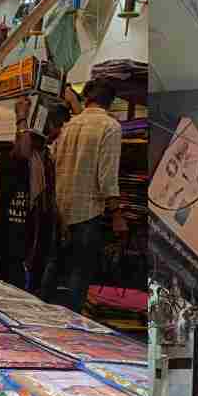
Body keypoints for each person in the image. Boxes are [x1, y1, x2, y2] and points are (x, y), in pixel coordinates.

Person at [40, 80, 124, 311]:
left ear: (86, 98)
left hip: (61, 209)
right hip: (87, 212)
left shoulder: (69, 126)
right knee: (79, 273)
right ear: (111, 102)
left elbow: (54, 161)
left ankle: (39, 315)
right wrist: (117, 214)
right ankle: (71, 323)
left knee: (54, 265)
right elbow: (107, 177)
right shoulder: (110, 127)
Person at [0, 97, 59, 292]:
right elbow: (23, 152)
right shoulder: (18, 153)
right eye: (56, 125)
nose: (58, 131)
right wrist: (22, 118)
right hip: (11, 229)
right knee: (8, 272)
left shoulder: (44, 157)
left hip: (29, 231)